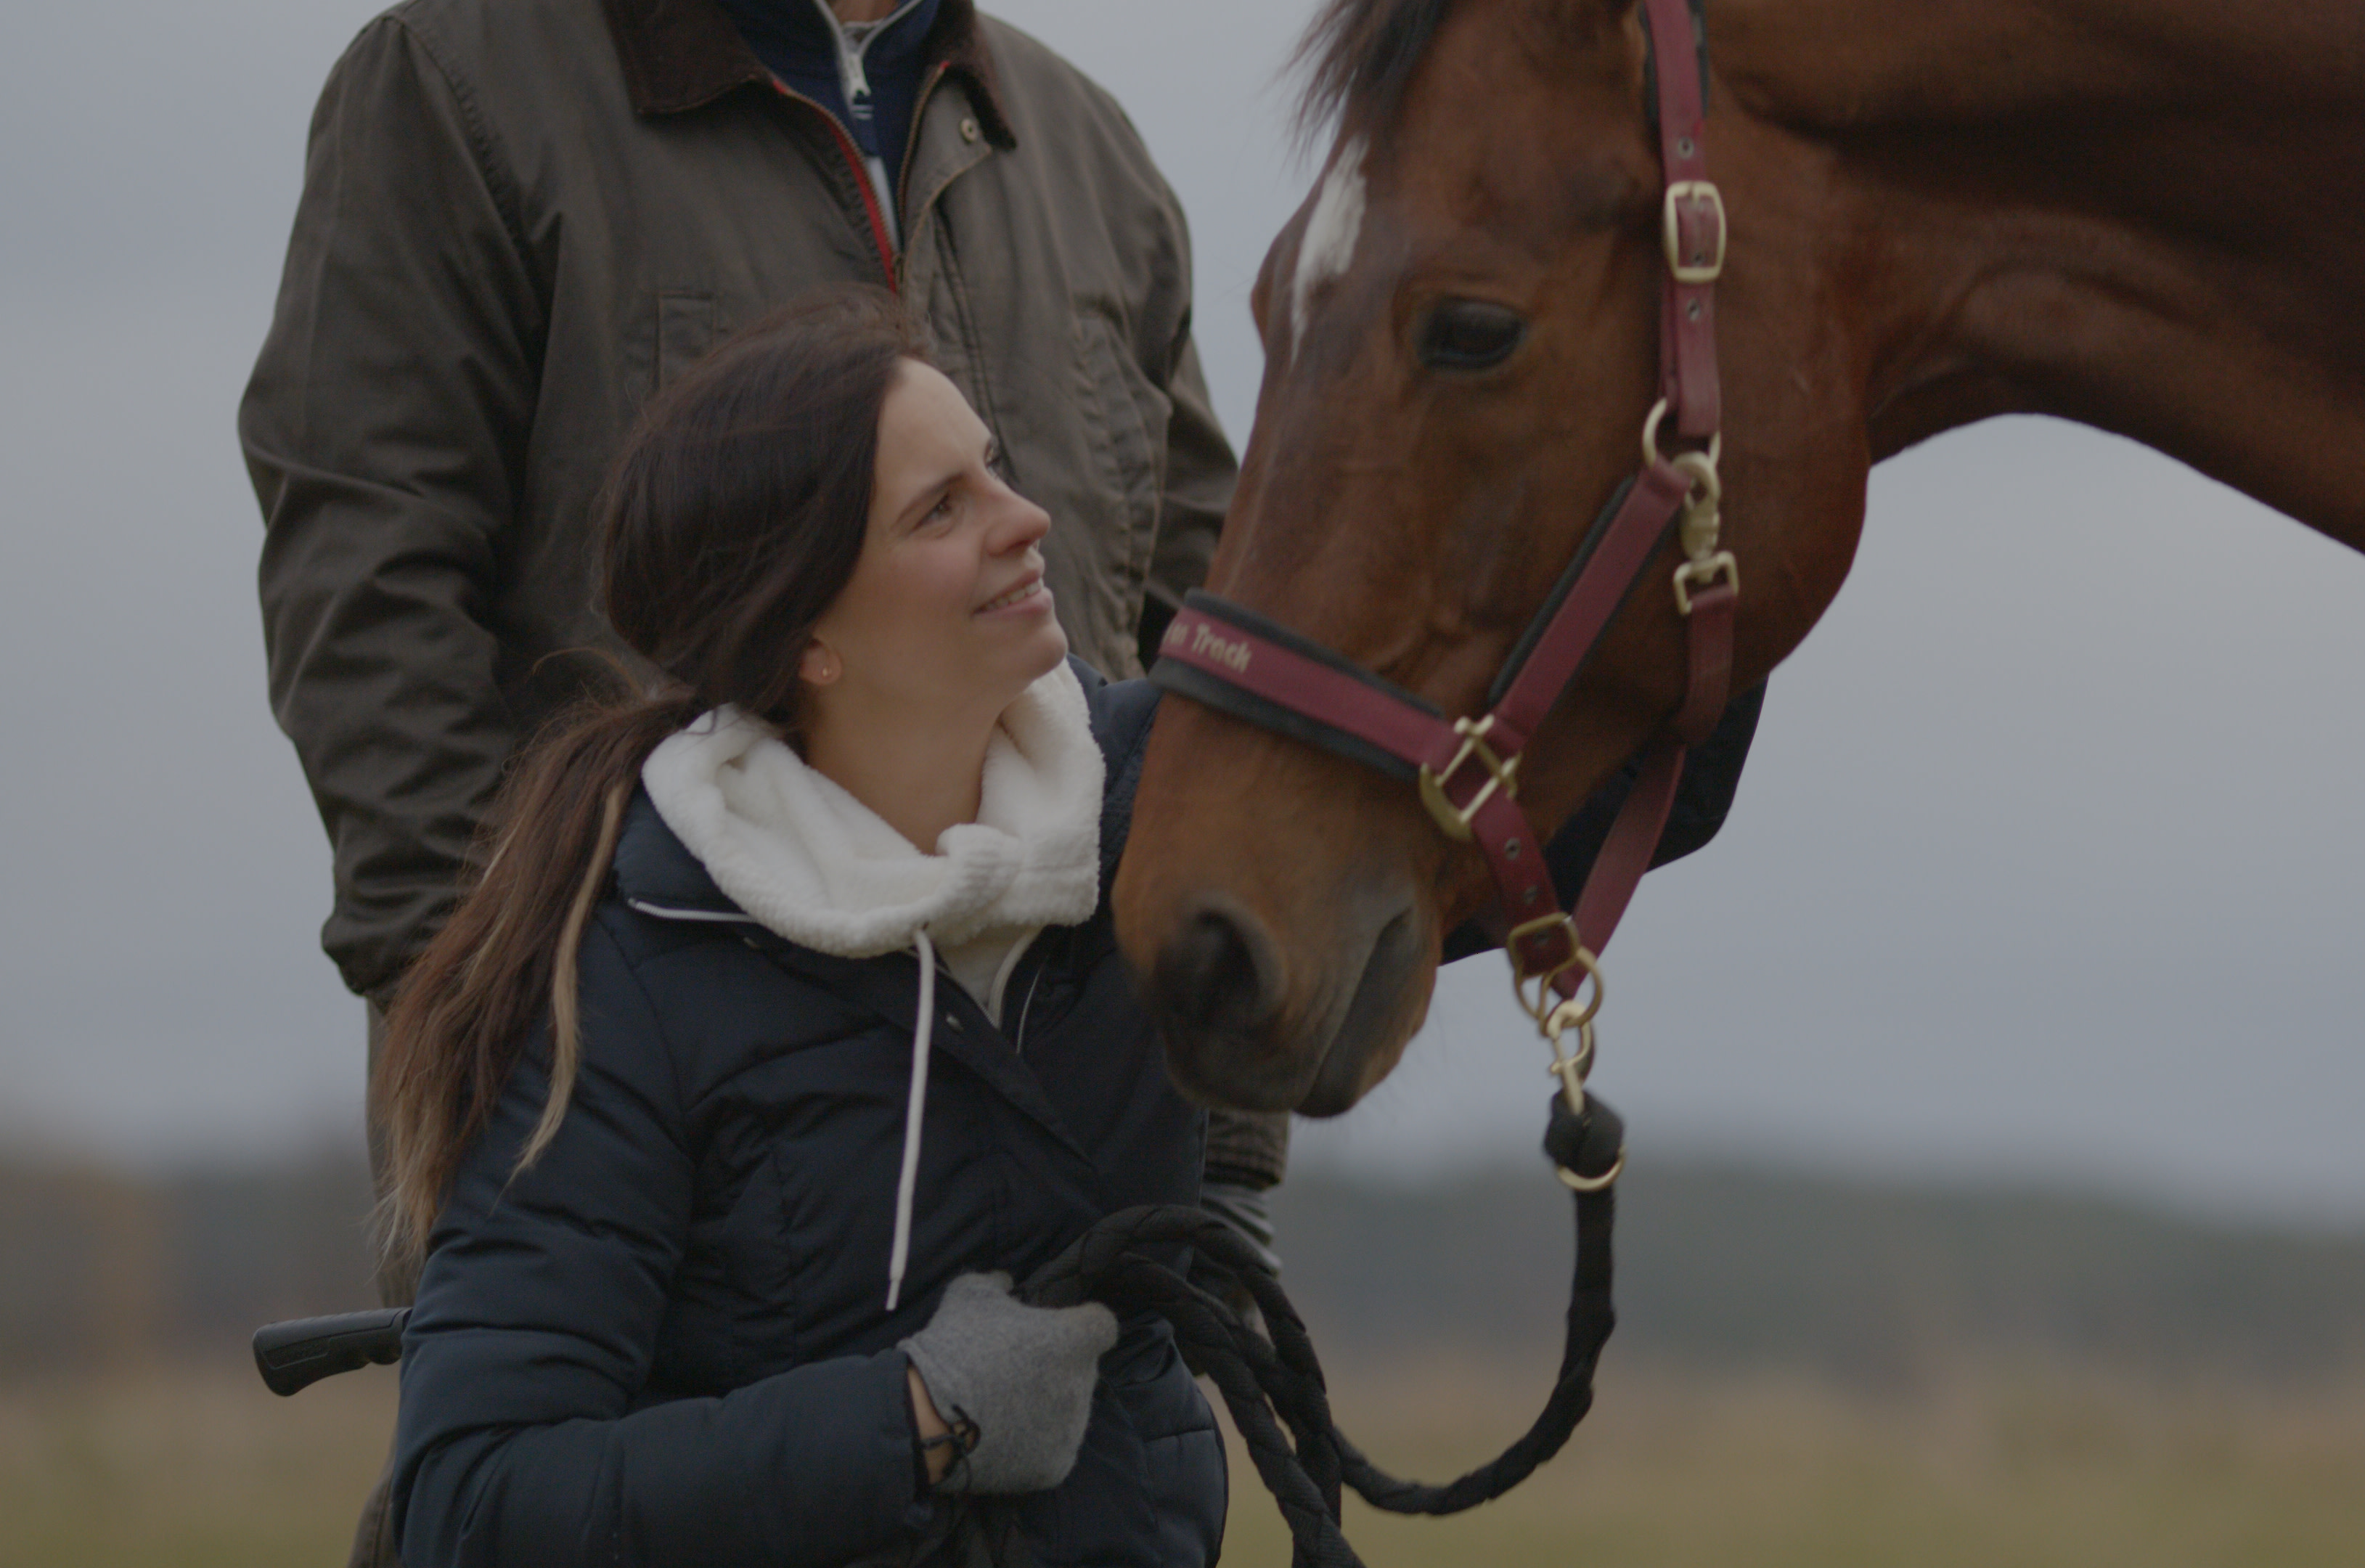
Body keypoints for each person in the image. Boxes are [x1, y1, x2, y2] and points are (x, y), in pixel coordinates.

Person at [374, 288, 1760, 1568]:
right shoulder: (624, 966)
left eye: (996, 466)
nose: (1025, 518)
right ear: (808, 639)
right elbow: (474, 1499)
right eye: (941, 509)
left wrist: (1715, 443)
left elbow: (1633, 783)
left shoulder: (1176, 797)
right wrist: (914, 1418)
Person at [239, 0, 1291, 1314]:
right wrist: (522, 1064)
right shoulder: (456, 87)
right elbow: (365, 602)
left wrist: (1229, 1132)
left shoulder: (1087, 151)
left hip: (1073, 1142)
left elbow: (1207, 646)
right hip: (652, 1166)